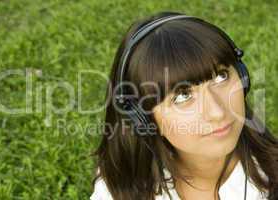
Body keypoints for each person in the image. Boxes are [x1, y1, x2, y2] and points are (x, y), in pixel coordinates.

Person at [89, 11, 278, 200]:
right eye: (182, 96)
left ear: (242, 76)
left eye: (221, 76)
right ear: (142, 118)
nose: (217, 112)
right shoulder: (117, 190)